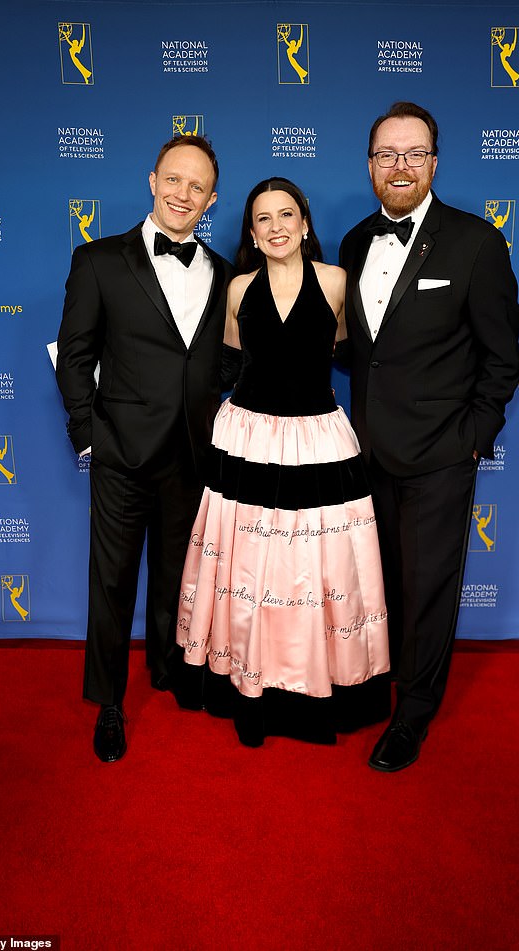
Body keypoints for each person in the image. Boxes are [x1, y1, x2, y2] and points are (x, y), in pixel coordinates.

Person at [171, 177, 390, 747]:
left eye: (285, 215)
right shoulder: (239, 290)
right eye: (263, 219)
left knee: (318, 571)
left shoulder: (338, 283)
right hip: (249, 439)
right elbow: (226, 362)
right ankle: (246, 683)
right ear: (251, 232)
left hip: (319, 438)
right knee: (250, 571)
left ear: (305, 223)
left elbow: (346, 349)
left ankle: (317, 683)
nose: (276, 227)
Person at [340, 102, 519, 772]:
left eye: (414, 153)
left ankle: (412, 716)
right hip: (367, 453)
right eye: (387, 154)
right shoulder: (356, 241)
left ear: (435, 163)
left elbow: (502, 358)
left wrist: (474, 436)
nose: (400, 166)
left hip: (442, 453)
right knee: (379, 585)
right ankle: (375, 687)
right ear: (369, 165)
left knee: (428, 590)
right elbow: (362, 347)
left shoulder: (476, 243)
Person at [56, 136, 233, 762]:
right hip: (121, 454)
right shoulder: (100, 260)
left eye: (198, 187)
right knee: (111, 581)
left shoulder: (226, 274)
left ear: (211, 200)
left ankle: (167, 669)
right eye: (174, 180)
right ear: (151, 180)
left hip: (192, 454)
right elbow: (74, 357)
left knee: (177, 578)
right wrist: (90, 437)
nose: (183, 194)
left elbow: (223, 366)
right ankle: (108, 702)